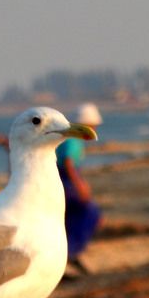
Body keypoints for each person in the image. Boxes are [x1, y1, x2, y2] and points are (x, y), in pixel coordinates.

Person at [56, 103, 103, 274]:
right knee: (91, 213)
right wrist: (80, 185)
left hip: (64, 181)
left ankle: (69, 254)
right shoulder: (73, 139)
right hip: (66, 182)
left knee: (70, 218)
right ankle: (71, 253)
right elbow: (68, 163)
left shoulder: (71, 138)